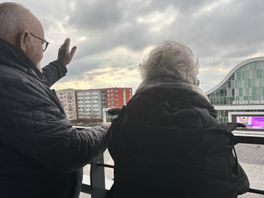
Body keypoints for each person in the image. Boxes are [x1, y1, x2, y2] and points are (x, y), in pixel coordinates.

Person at [108, 41, 249, 198]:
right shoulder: (210, 133)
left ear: (147, 77)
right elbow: (235, 185)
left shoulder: (124, 125)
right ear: (194, 81)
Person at [0, 2, 110, 198]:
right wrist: (109, 127)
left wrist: (60, 64)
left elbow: (34, 81)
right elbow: (70, 148)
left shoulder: (9, 75)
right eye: (42, 43)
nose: (43, 52)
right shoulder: (8, 83)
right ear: (25, 39)